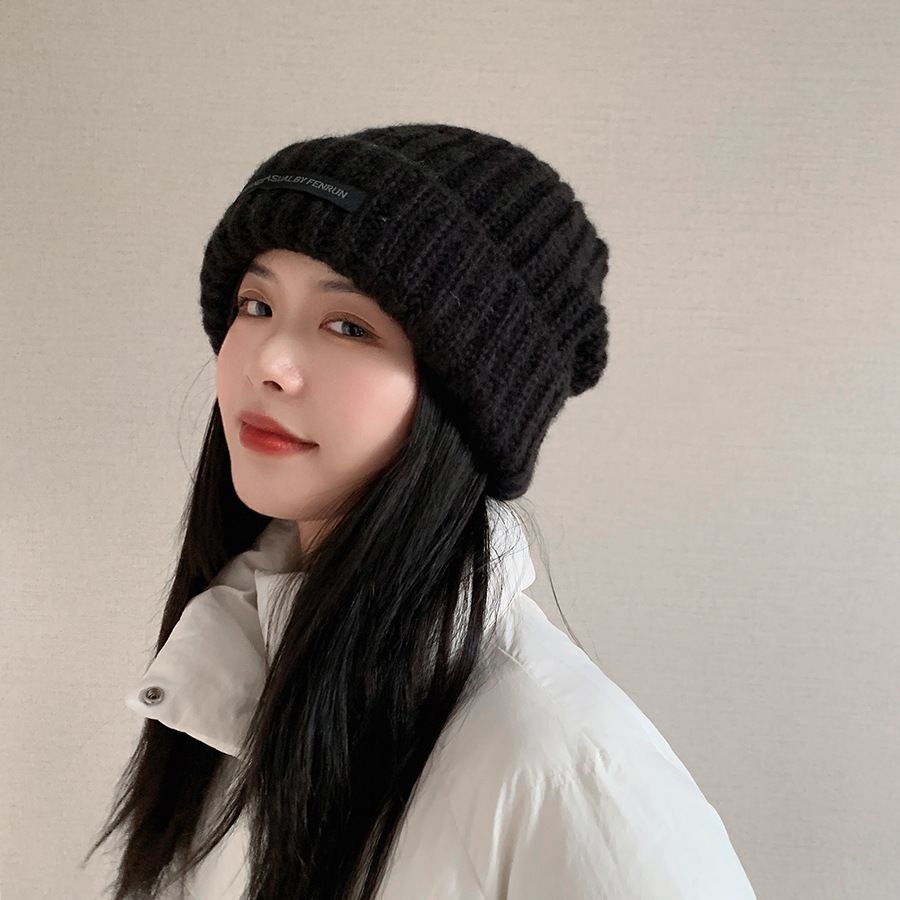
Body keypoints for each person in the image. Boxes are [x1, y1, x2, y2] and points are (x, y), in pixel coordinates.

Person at [82, 123, 757, 899]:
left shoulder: (570, 772)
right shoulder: (234, 672)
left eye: (349, 326)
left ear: (463, 403)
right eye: (256, 304)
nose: (267, 361)